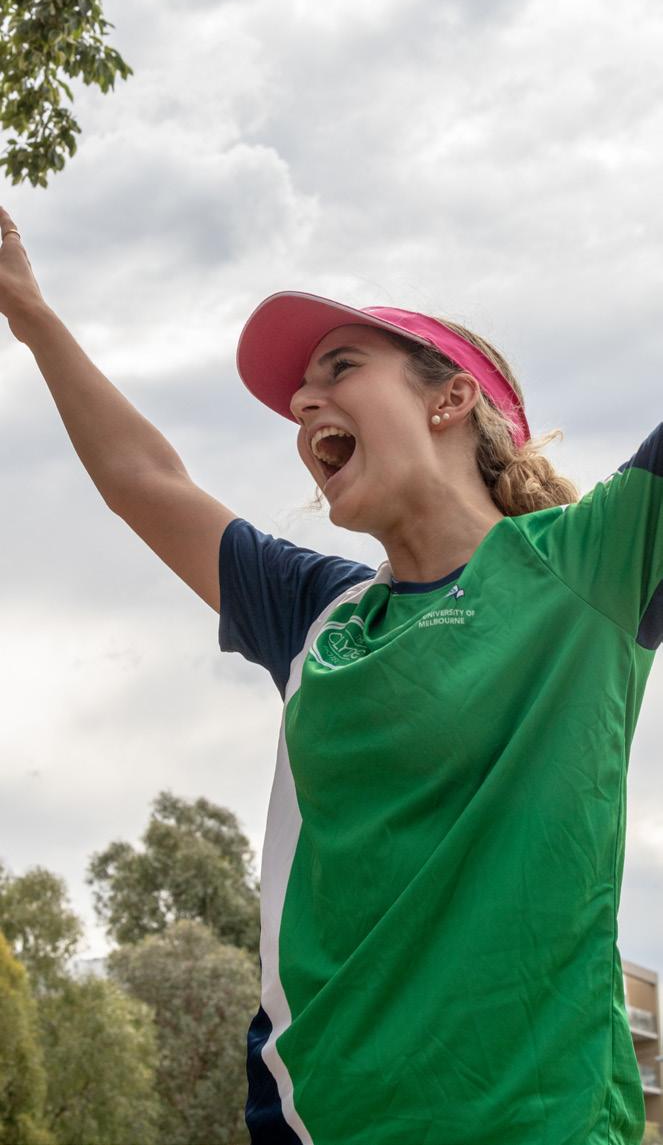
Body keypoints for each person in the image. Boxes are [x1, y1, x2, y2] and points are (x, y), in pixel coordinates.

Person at [1, 204, 661, 1145]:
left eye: (340, 368)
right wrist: (27, 309)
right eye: (299, 395)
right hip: (316, 1122)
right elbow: (145, 480)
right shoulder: (318, 613)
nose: (304, 404)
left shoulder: (593, 564)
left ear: (449, 399)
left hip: (538, 1122)